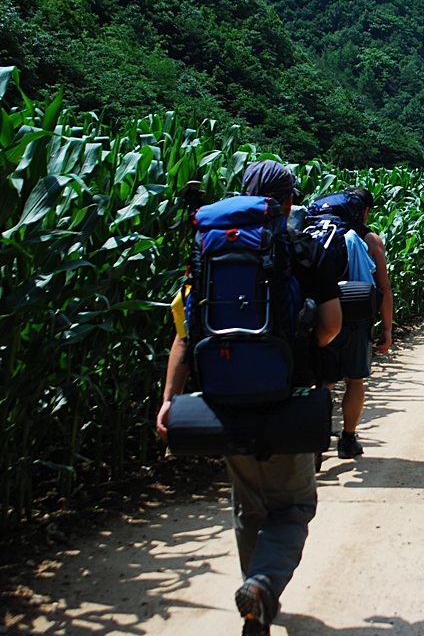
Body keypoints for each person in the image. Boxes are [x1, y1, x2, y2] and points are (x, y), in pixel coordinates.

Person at [156, 160, 343, 636]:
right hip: (287, 400)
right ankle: (261, 587)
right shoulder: (303, 250)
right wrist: (296, 345)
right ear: (284, 203)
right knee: (293, 508)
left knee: (249, 505)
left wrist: (169, 399)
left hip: (221, 397)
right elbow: (330, 327)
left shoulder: (207, 251)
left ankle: (254, 609)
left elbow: (184, 333)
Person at [322, 187, 394, 460]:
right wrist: (386, 329)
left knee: (324, 381)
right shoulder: (370, 240)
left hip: (321, 315)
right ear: (364, 212)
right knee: (354, 380)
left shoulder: (319, 232)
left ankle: (318, 436)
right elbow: (382, 288)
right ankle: (348, 440)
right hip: (353, 319)